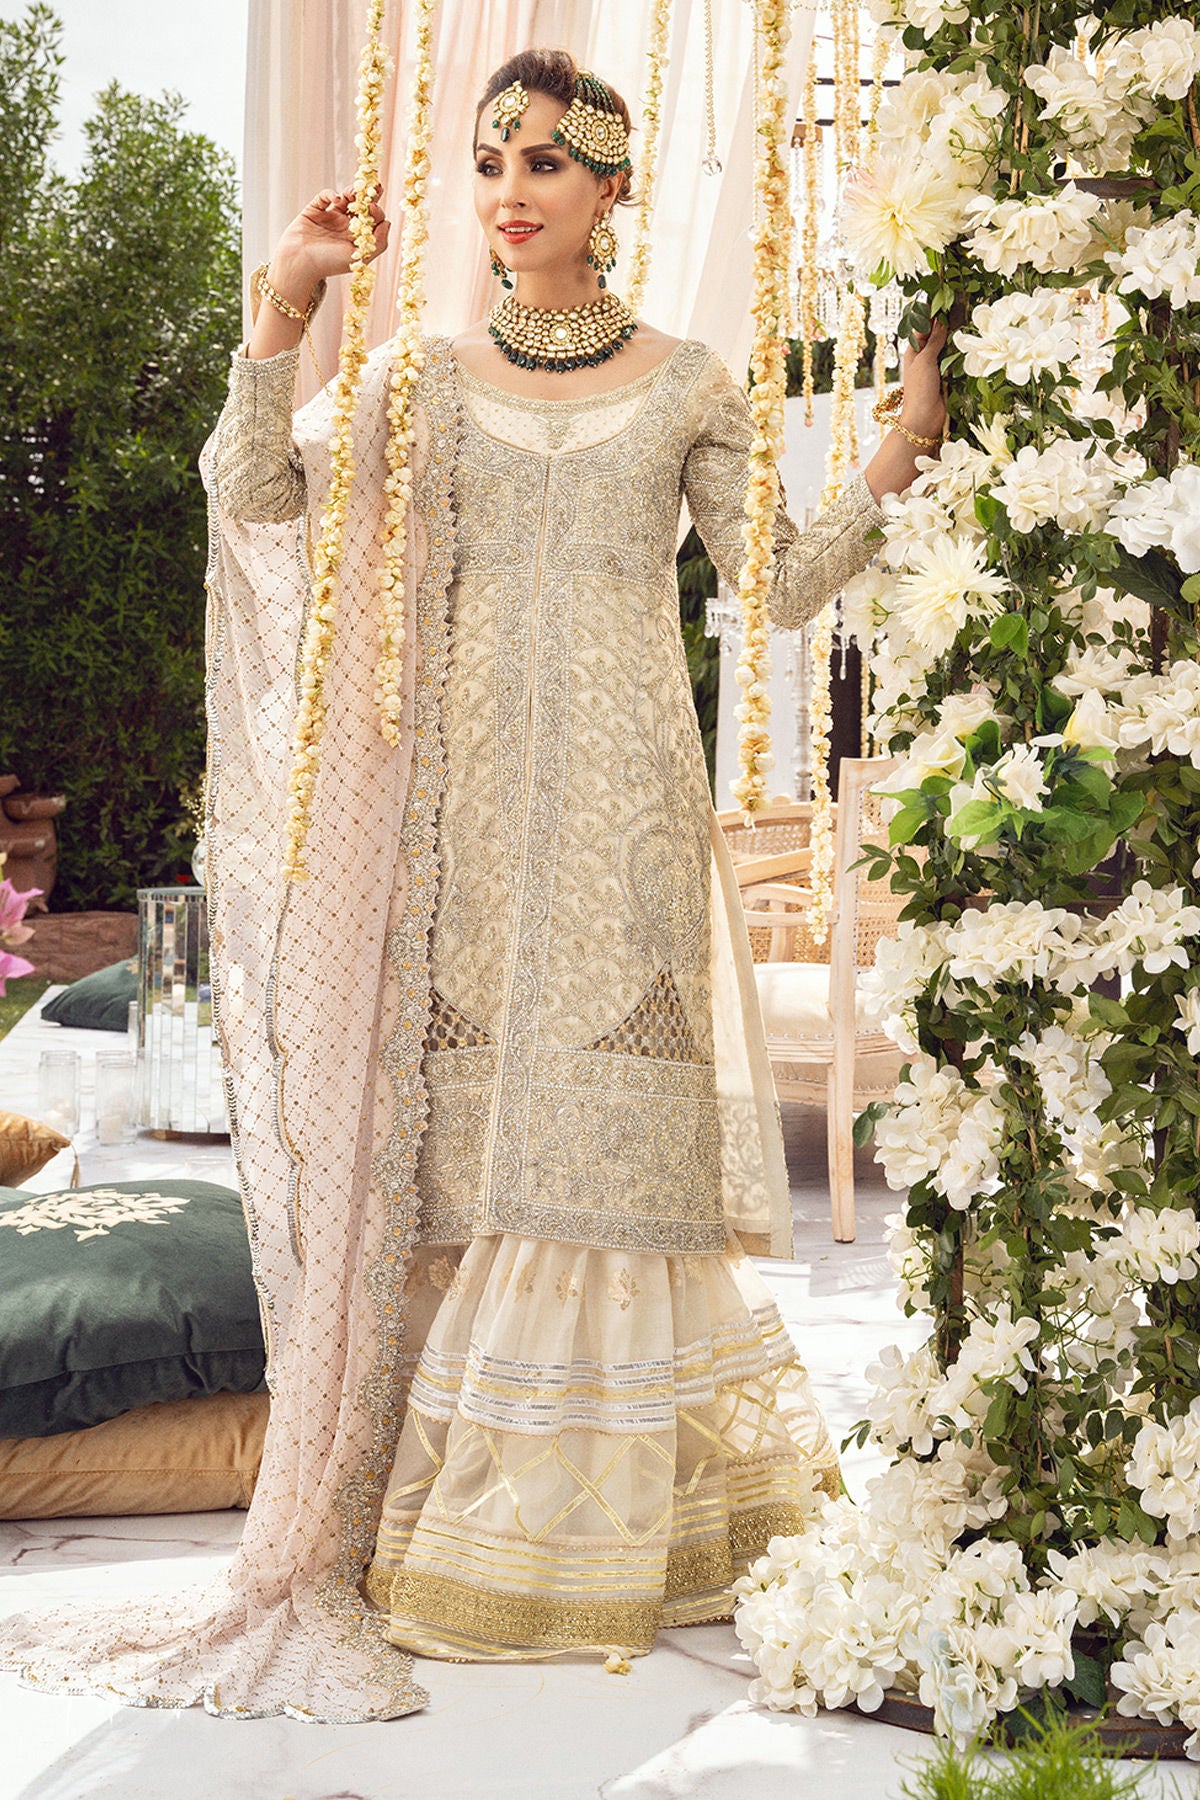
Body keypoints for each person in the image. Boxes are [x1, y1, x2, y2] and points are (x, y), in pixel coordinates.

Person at [0, 47, 946, 1723]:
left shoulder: (688, 381)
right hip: (453, 825)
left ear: (611, 188)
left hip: (630, 822)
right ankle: (461, 1526)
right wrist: (285, 302)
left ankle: (623, 1533)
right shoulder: (416, 384)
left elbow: (785, 584)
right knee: (462, 1158)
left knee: (601, 1151)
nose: (511, 191)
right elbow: (252, 499)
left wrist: (902, 445)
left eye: (548, 162)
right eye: (493, 162)